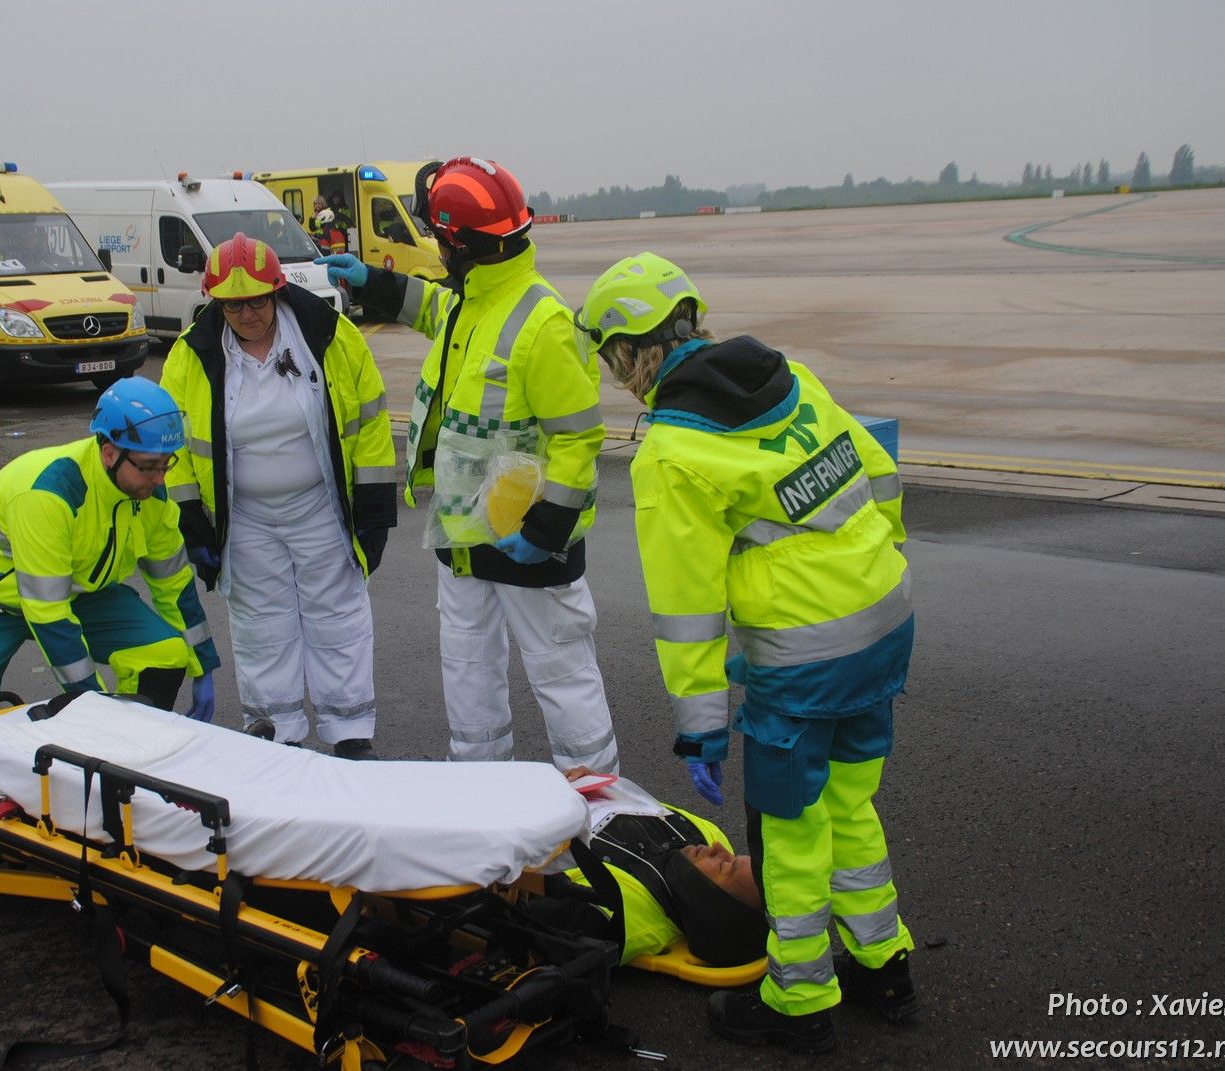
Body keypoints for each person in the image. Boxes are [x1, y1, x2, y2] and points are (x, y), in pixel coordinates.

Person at [574, 253, 918, 1053]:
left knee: (791, 830)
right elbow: (877, 468)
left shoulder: (671, 452)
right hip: (885, 618)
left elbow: (688, 608)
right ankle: (883, 966)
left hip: (806, 654)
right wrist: (875, 566)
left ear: (630, 351)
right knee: (848, 804)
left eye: (609, 356)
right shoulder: (787, 375)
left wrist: (700, 726)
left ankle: (800, 1000)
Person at [317, 156, 618, 774]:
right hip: (463, 535)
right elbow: (438, 313)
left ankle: (601, 810)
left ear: (460, 242)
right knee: (468, 676)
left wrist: (544, 530)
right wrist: (373, 283)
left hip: (530, 540)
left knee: (561, 675)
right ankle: (480, 794)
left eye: (439, 236)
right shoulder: (476, 298)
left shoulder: (543, 322)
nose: (435, 246)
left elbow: (580, 440)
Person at [161, 232, 396, 760]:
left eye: (258, 301)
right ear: (215, 301)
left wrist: (375, 508)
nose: (248, 314)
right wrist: (191, 522)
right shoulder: (189, 356)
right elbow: (174, 448)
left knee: (338, 618)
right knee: (259, 625)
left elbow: (371, 422)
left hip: (319, 508)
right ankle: (275, 736)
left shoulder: (329, 337)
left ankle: (350, 734)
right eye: (233, 304)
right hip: (245, 518)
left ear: (278, 290)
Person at [0, 378, 221, 720]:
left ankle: (124, 760)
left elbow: (174, 584)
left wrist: (202, 666)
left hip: (73, 592)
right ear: (109, 453)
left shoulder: (149, 494)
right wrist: (90, 704)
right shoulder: (50, 494)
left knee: (166, 653)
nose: (160, 478)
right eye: (149, 466)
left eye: (167, 464)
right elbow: (48, 613)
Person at [537, 767, 768, 970]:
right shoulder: (709, 836)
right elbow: (635, 808)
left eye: (725, 865)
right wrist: (593, 785)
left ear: (707, 902)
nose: (718, 848)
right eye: (735, 855)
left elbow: (523, 911)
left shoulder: (626, 918)